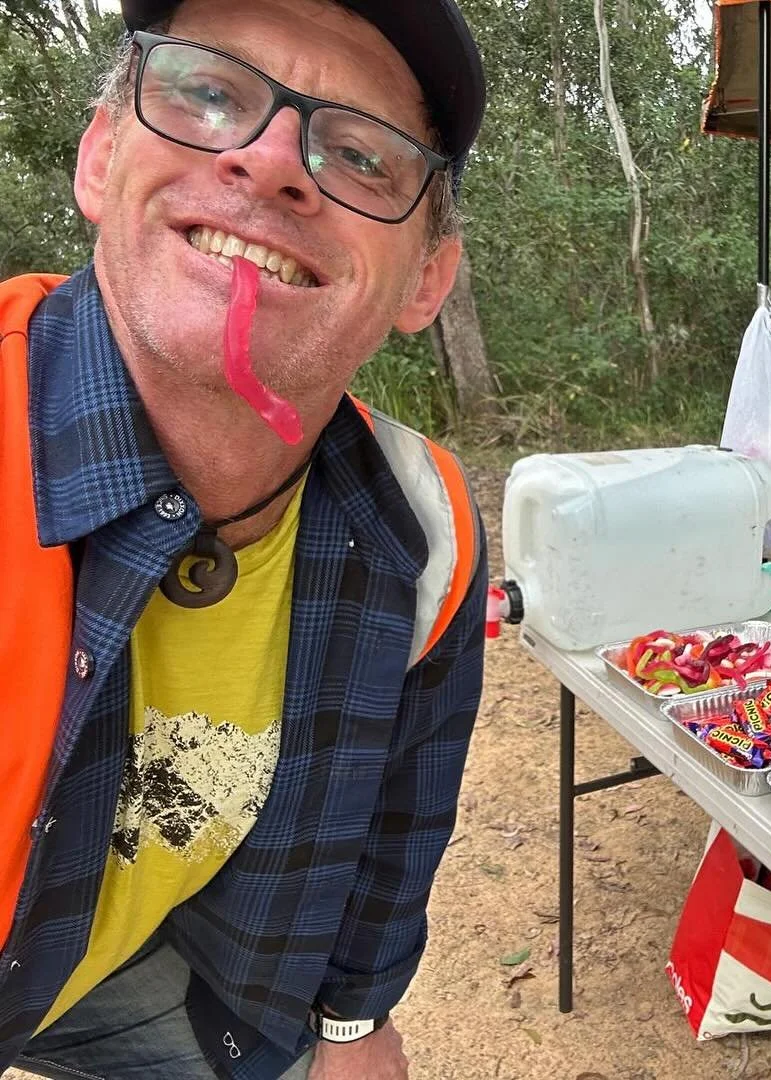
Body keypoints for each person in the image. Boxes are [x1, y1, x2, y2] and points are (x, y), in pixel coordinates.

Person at [0, 1, 489, 1077]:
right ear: (98, 157)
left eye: (360, 156)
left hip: (149, 969)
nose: (270, 164)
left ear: (424, 281)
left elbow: (398, 825)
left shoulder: (426, 526)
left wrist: (355, 1026)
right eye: (208, 95)